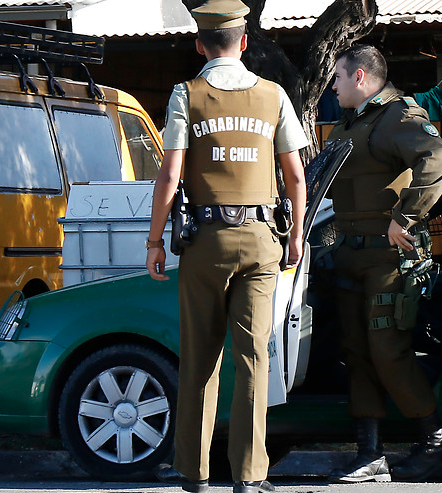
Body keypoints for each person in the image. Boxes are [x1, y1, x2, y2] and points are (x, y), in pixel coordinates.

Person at [145, 1, 309, 492]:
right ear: (243, 43)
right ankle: (249, 476)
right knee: (254, 358)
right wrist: (296, 234)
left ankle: (194, 474)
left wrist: (154, 240)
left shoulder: (186, 94)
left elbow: (171, 174)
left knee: (200, 358)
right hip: (262, 242)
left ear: (199, 44)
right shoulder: (274, 95)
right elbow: (296, 175)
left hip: (205, 242)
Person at [324, 44, 442, 483]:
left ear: (360, 77)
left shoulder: (398, 116)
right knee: (356, 354)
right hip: (349, 254)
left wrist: (406, 217)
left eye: (339, 77)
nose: (334, 85)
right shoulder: (348, 124)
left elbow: (437, 162)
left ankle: (437, 444)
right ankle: (369, 453)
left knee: (387, 352)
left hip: (388, 258)